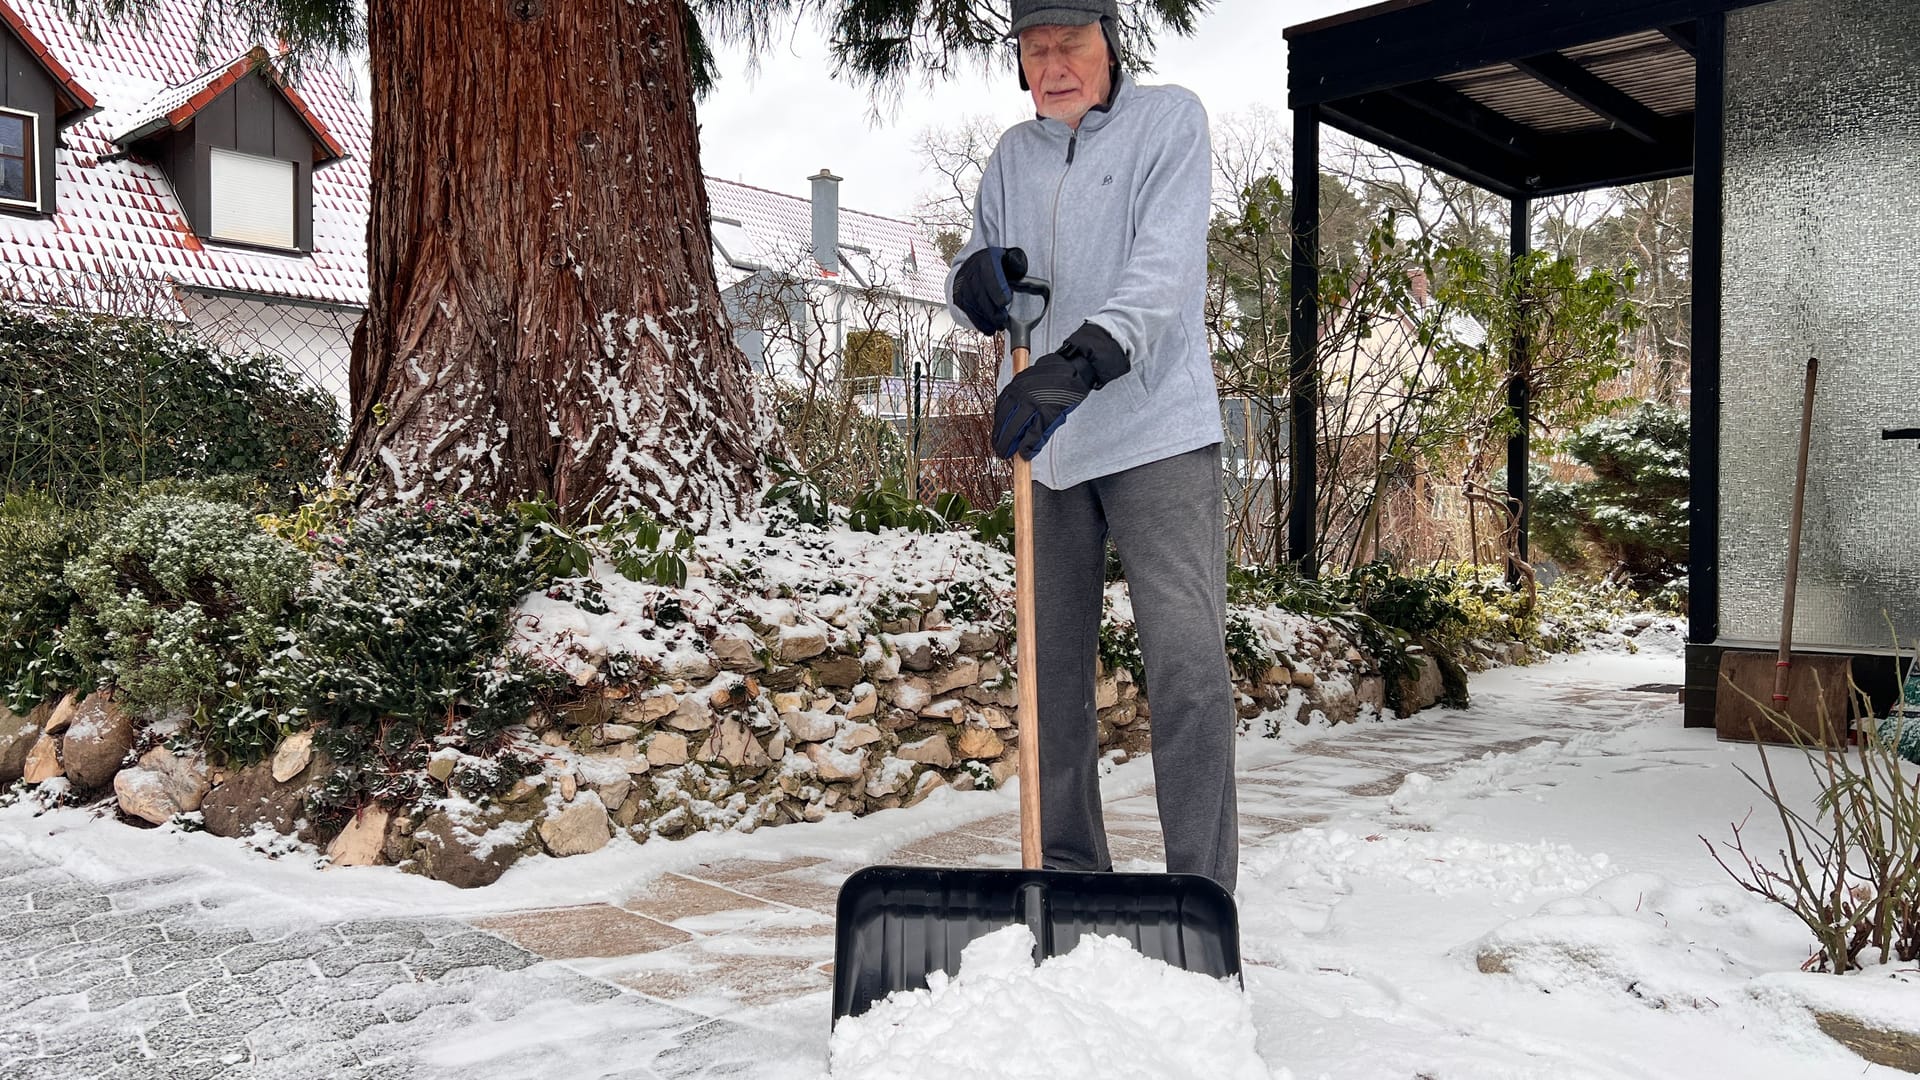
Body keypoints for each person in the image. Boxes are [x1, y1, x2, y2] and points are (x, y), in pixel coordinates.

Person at [945, 0, 1237, 892]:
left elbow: (1164, 274)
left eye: (1070, 44)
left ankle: (1199, 895)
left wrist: (1080, 361)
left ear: (1110, 45)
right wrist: (973, 284)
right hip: (1052, 448)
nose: (1053, 65)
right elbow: (975, 267)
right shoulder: (1009, 156)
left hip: (1155, 431)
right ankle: (1068, 877)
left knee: (1186, 665)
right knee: (1049, 675)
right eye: (1035, 51)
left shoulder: (1168, 122)